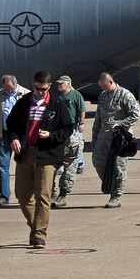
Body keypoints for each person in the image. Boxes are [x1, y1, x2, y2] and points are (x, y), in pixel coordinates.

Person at [5, 71, 73, 249]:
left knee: (43, 196)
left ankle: (39, 235)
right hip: (26, 153)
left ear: (49, 87)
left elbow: (67, 130)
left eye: (43, 89)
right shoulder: (24, 102)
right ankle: (35, 226)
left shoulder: (57, 104)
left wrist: (50, 135)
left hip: (47, 155)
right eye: (36, 88)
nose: (39, 92)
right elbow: (11, 125)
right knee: (22, 194)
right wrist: (14, 138)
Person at [91, 73, 140, 208]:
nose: (103, 89)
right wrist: (94, 135)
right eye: (101, 87)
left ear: (111, 82)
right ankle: (110, 186)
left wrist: (121, 124)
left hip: (120, 137)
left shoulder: (125, 95)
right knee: (97, 160)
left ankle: (116, 195)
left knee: (119, 166)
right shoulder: (103, 96)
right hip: (103, 135)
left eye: (105, 86)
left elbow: (136, 114)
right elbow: (98, 118)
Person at [0, 75, 28, 207]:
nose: (9, 91)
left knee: (25, 164)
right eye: (6, 89)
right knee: (2, 166)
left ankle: (28, 194)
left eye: (11, 89)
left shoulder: (26, 94)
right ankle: (4, 196)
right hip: (4, 134)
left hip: (21, 135)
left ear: (16, 84)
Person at [51, 75, 85, 208]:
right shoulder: (56, 97)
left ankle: (62, 195)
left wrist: (81, 123)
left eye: (61, 84)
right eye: (58, 84)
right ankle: (52, 194)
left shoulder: (76, 95)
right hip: (58, 132)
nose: (59, 86)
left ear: (68, 84)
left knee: (70, 166)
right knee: (51, 166)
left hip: (72, 129)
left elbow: (82, 110)